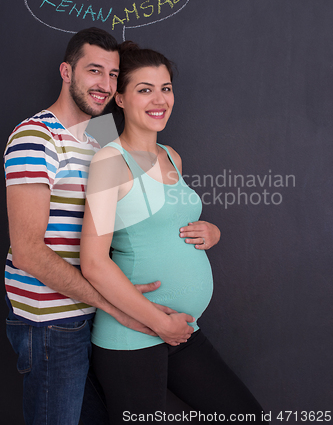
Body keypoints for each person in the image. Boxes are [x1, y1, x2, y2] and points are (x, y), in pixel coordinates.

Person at [4, 27, 221, 425]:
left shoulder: (100, 134)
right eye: (94, 71)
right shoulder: (37, 138)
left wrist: (202, 229)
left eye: (112, 74)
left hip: (92, 311)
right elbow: (28, 251)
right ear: (66, 72)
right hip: (53, 320)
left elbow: (135, 211)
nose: (104, 84)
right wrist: (119, 308)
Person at [80, 41, 263, 423]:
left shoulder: (171, 155)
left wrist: (211, 231)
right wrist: (159, 322)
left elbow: (167, 221)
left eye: (165, 88)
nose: (159, 99)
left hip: (180, 329)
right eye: (144, 89)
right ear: (120, 97)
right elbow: (94, 263)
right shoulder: (109, 162)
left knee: (246, 415)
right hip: (134, 335)